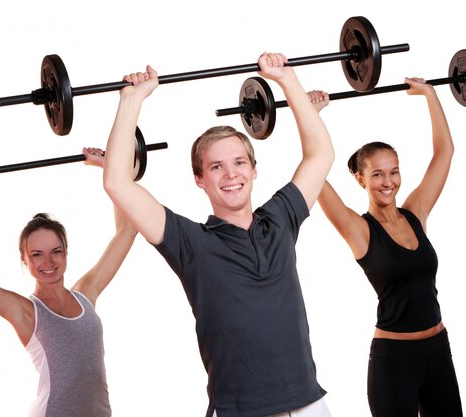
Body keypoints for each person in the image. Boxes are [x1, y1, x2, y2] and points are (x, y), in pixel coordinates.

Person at [102, 52, 335, 417]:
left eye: (239, 162)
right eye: (216, 166)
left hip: (309, 403)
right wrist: (132, 100)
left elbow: (320, 154)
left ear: (254, 170)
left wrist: (287, 80)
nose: (231, 175)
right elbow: (117, 182)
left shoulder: (279, 218)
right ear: (199, 179)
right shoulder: (190, 242)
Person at [0, 147, 137, 417]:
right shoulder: (26, 312)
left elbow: (127, 231)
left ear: (66, 253)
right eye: (36, 254)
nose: (48, 262)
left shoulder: (87, 293)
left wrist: (112, 171)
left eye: (55, 252)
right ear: (25, 260)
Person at [314, 78, 463, 417]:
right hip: (395, 360)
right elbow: (314, 172)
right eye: (378, 174)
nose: (388, 182)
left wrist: (430, 94)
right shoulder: (359, 230)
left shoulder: (416, 213)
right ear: (360, 179)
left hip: (438, 350)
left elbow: (445, 153)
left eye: (394, 172)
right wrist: (311, 117)